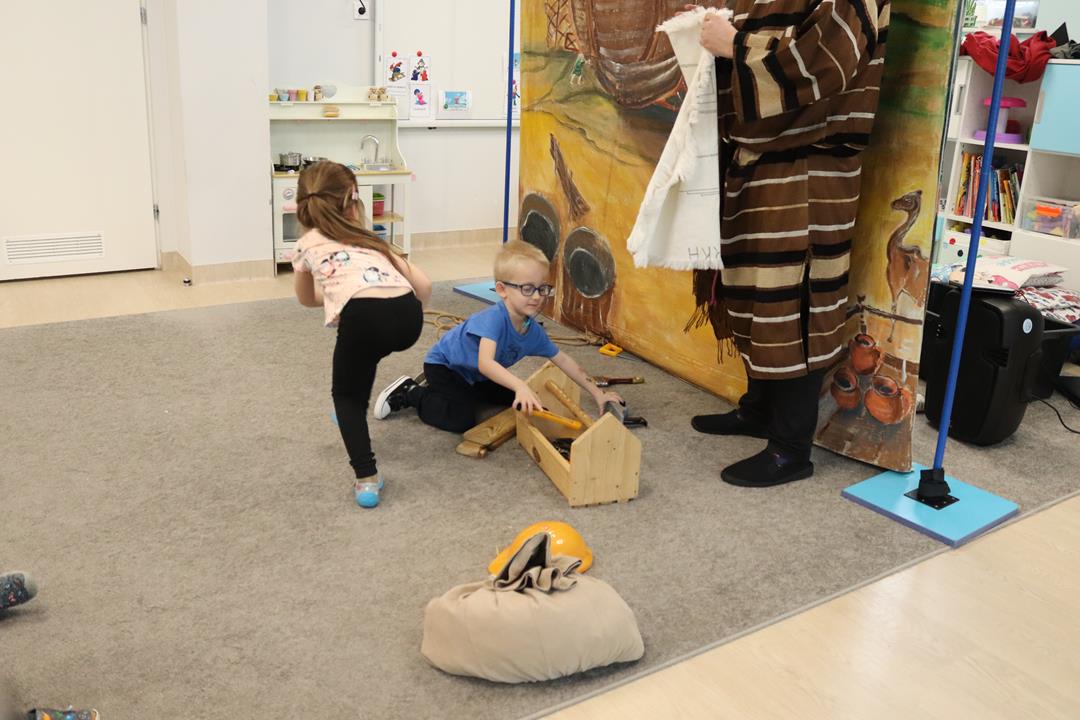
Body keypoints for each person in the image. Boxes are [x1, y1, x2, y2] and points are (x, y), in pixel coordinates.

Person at [688, 0, 890, 487]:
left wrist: (734, 44)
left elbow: (824, 62)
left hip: (810, 165)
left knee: (798, 303)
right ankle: (759, 410)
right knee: (758, 297)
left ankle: (791, 449)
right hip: (757, 159)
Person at [292, 161, 432, 508]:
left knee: (346, 395)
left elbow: (306, 299)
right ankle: (352, 411)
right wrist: (406, 312)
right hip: (408, 316)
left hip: (363, 320)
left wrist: (342, 294)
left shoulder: (306, 244)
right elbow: (424, 286)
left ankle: (367, 479)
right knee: (367, 351)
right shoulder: (371, 240)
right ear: (353, 204)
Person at [374, 241, 622, 433]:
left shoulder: (533, 332)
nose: (537, 296)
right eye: (527, 288)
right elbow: (486, 363)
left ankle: (460, 393)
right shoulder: (493, 319)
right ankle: (412, 392)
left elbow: (564, 361)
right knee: (462, 420)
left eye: (542, 288)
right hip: (445, 367)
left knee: (521, 400)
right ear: (502, 290)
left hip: (475, 375)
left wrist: (598, 393)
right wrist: (520, 385)